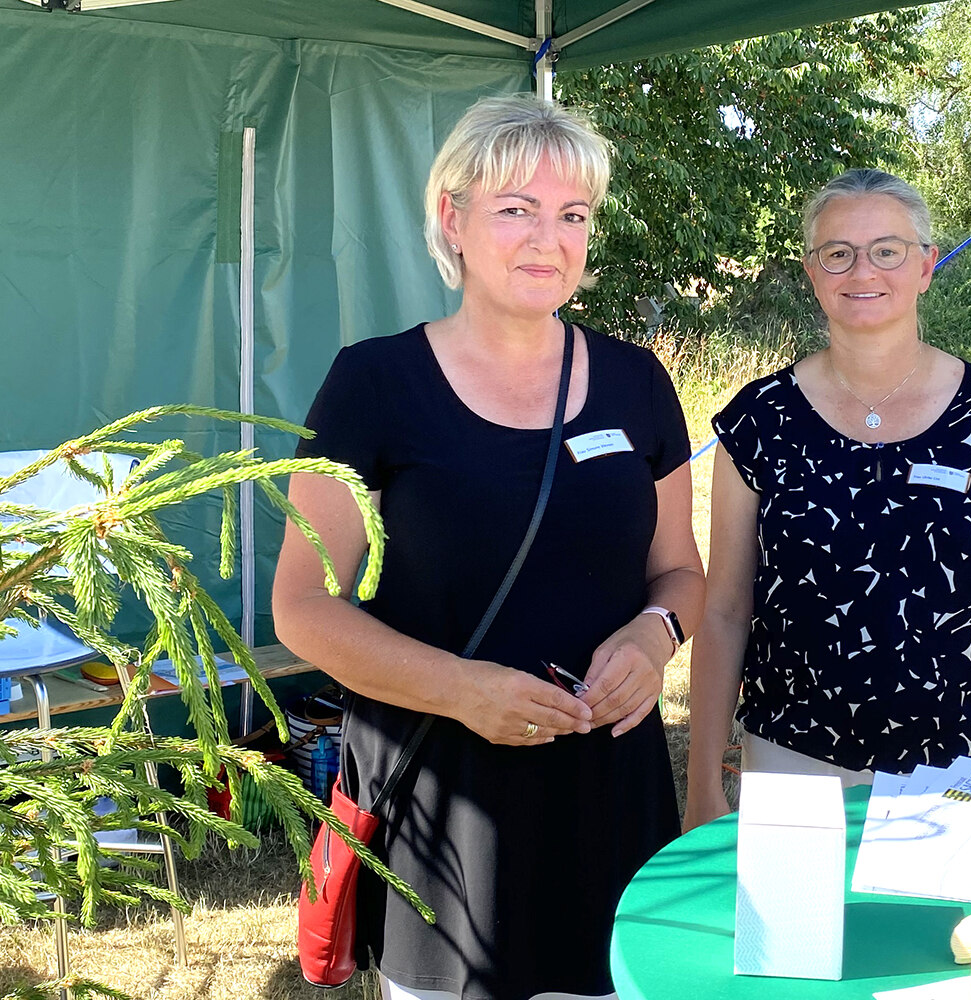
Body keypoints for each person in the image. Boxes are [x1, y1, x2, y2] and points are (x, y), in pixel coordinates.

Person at [273, 95, 704, 1000]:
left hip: (607, 788)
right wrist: (465, 692)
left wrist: (655, 633)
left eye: (573, 215)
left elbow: (680, 572)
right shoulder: (373, 383)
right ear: (452, 219)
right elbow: (303, 609)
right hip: (445, 799)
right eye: (517, 209)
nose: (549, 238)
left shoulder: (635, 380)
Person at [684, 169, 971, 831]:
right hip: (795, 767)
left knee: (957, 941)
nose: (861, 270)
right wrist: (702, 783)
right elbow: (724, 611)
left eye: (887, 250)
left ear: (926, 265)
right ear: (812, 273)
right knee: (796, 940)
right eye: (837, 253)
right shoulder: (759, 421)